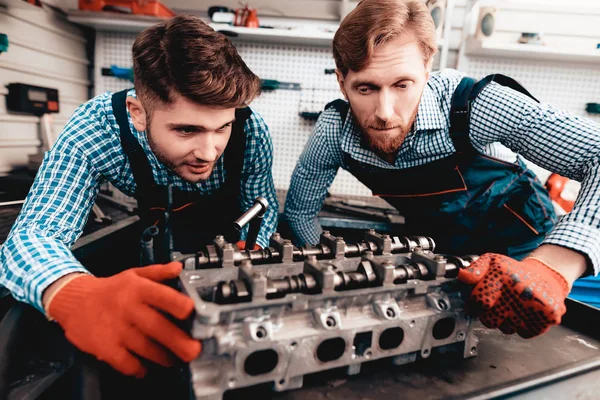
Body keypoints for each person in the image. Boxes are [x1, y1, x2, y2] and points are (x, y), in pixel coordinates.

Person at [284, 0, 599, 339]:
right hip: (448, 261)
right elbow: (300, 212)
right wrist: (337, 275)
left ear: (427, 67)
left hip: (529, 258)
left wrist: (552, 267)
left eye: (403, 85)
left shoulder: (474, 106)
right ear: (341, 81)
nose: (385, 113)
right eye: (366, 88)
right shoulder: (335, 132)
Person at [0, 15, 278, 379]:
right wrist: (71, 291)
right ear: (138, 113)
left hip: (225, 242)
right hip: (158, 237)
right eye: (187, 130)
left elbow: (261, 207)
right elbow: (33, 235)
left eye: (221, 127)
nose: (209, 151)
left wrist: (253, 254)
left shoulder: (251, 131)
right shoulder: (94, 130)